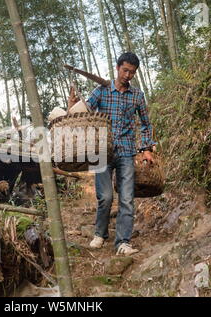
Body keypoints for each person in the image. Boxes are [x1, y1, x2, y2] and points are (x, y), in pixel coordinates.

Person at [68, 52, 156, 255]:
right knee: (105, 197)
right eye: (125, 70)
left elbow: (145, 124)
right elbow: (84, 113)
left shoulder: (137, 96)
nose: (128, 75)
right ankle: (100, 233)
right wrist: (72, 105)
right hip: (103, 152)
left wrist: (147, 148)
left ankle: (123, 242)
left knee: (126, 198)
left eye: (132, 72)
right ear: (117, 68)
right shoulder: (102, 91)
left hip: (126, 152)